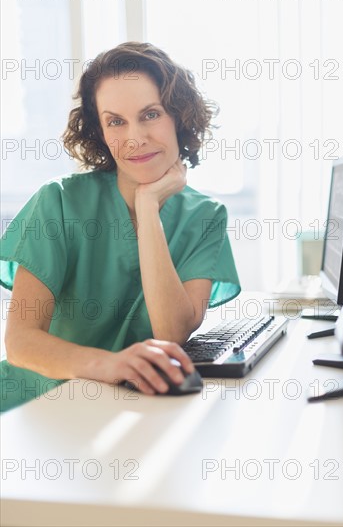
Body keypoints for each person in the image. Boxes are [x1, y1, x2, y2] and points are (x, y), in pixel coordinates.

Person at [0, 42, 241, 412]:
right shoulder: (58, 203)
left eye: (150, 114)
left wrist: (147, 208)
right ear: (100, 131)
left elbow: (173, 332)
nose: (134, 138)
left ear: (178, 116)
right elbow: (21, 343)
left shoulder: (205, 216)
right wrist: (110, 365)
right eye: (116, 121)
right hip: (37, 407)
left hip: (132, 409)